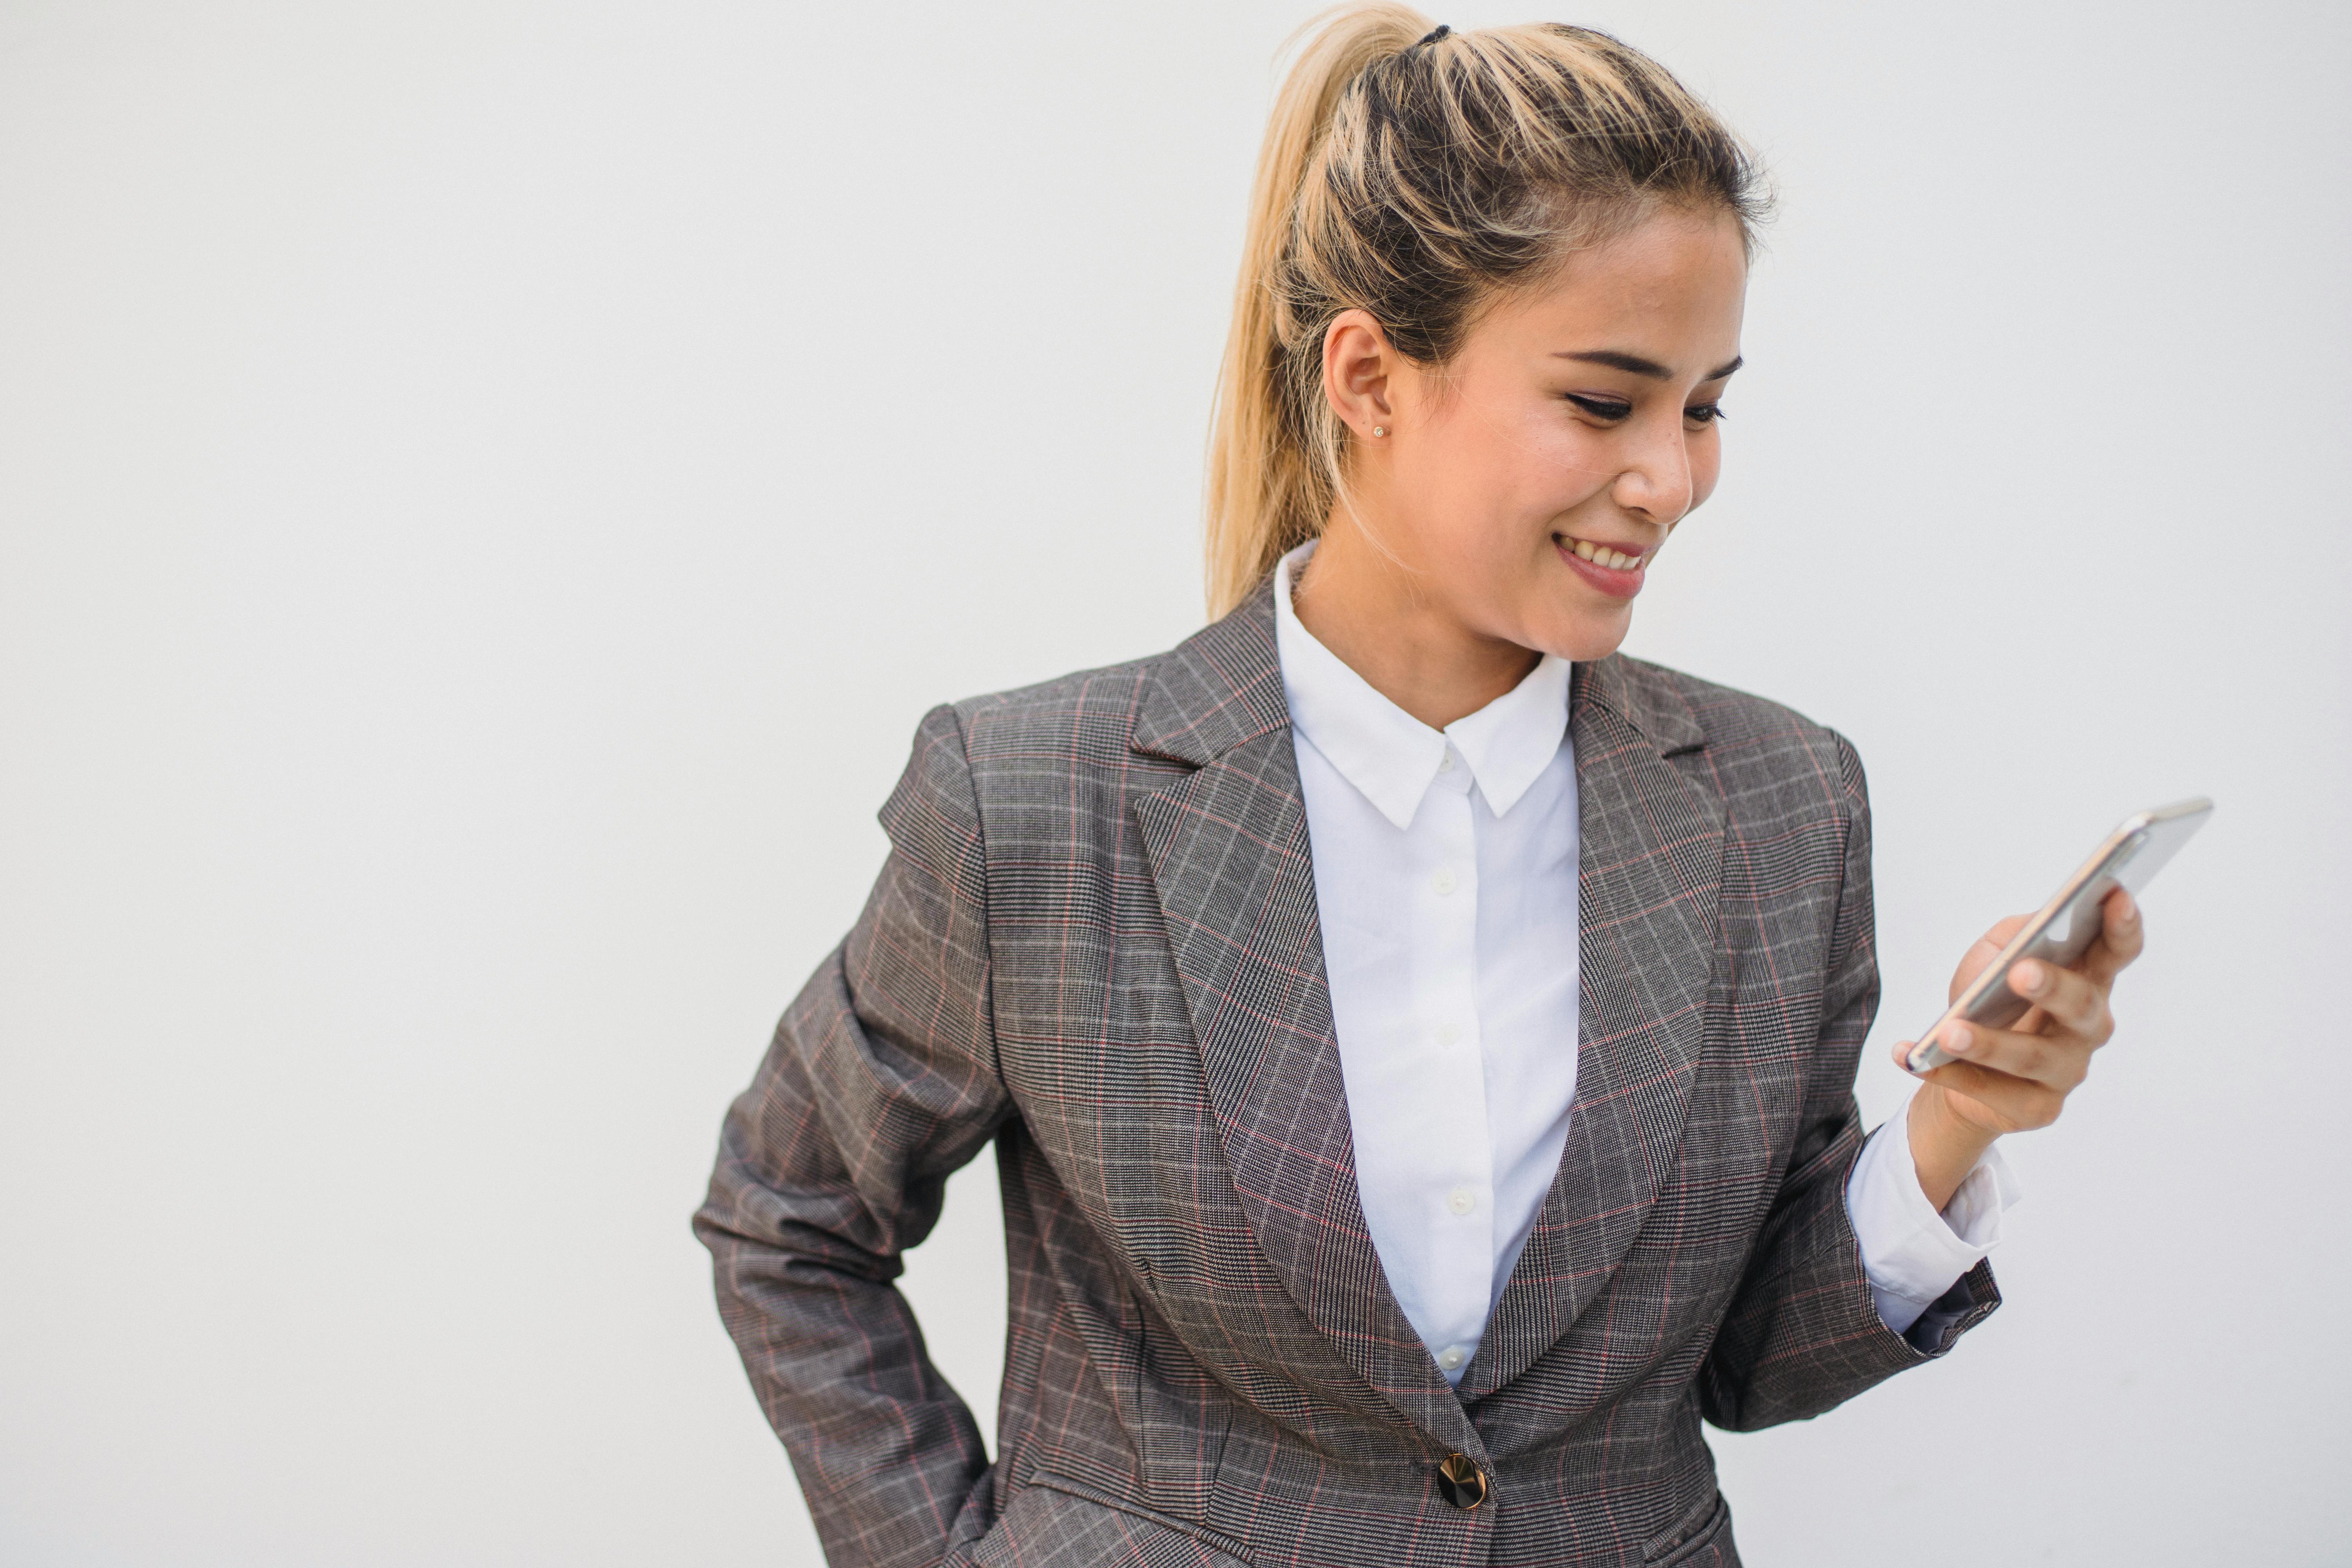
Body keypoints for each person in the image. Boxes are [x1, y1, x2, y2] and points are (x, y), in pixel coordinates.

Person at [693, 9, 2143, 1566]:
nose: (1672, 475)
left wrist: (1955, 1127)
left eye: (1705, 404)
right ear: (1371, 375)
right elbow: (791, 1224)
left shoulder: (1784, 806)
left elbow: (1739, 1358)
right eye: (1605, 400)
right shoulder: (1032, 801)